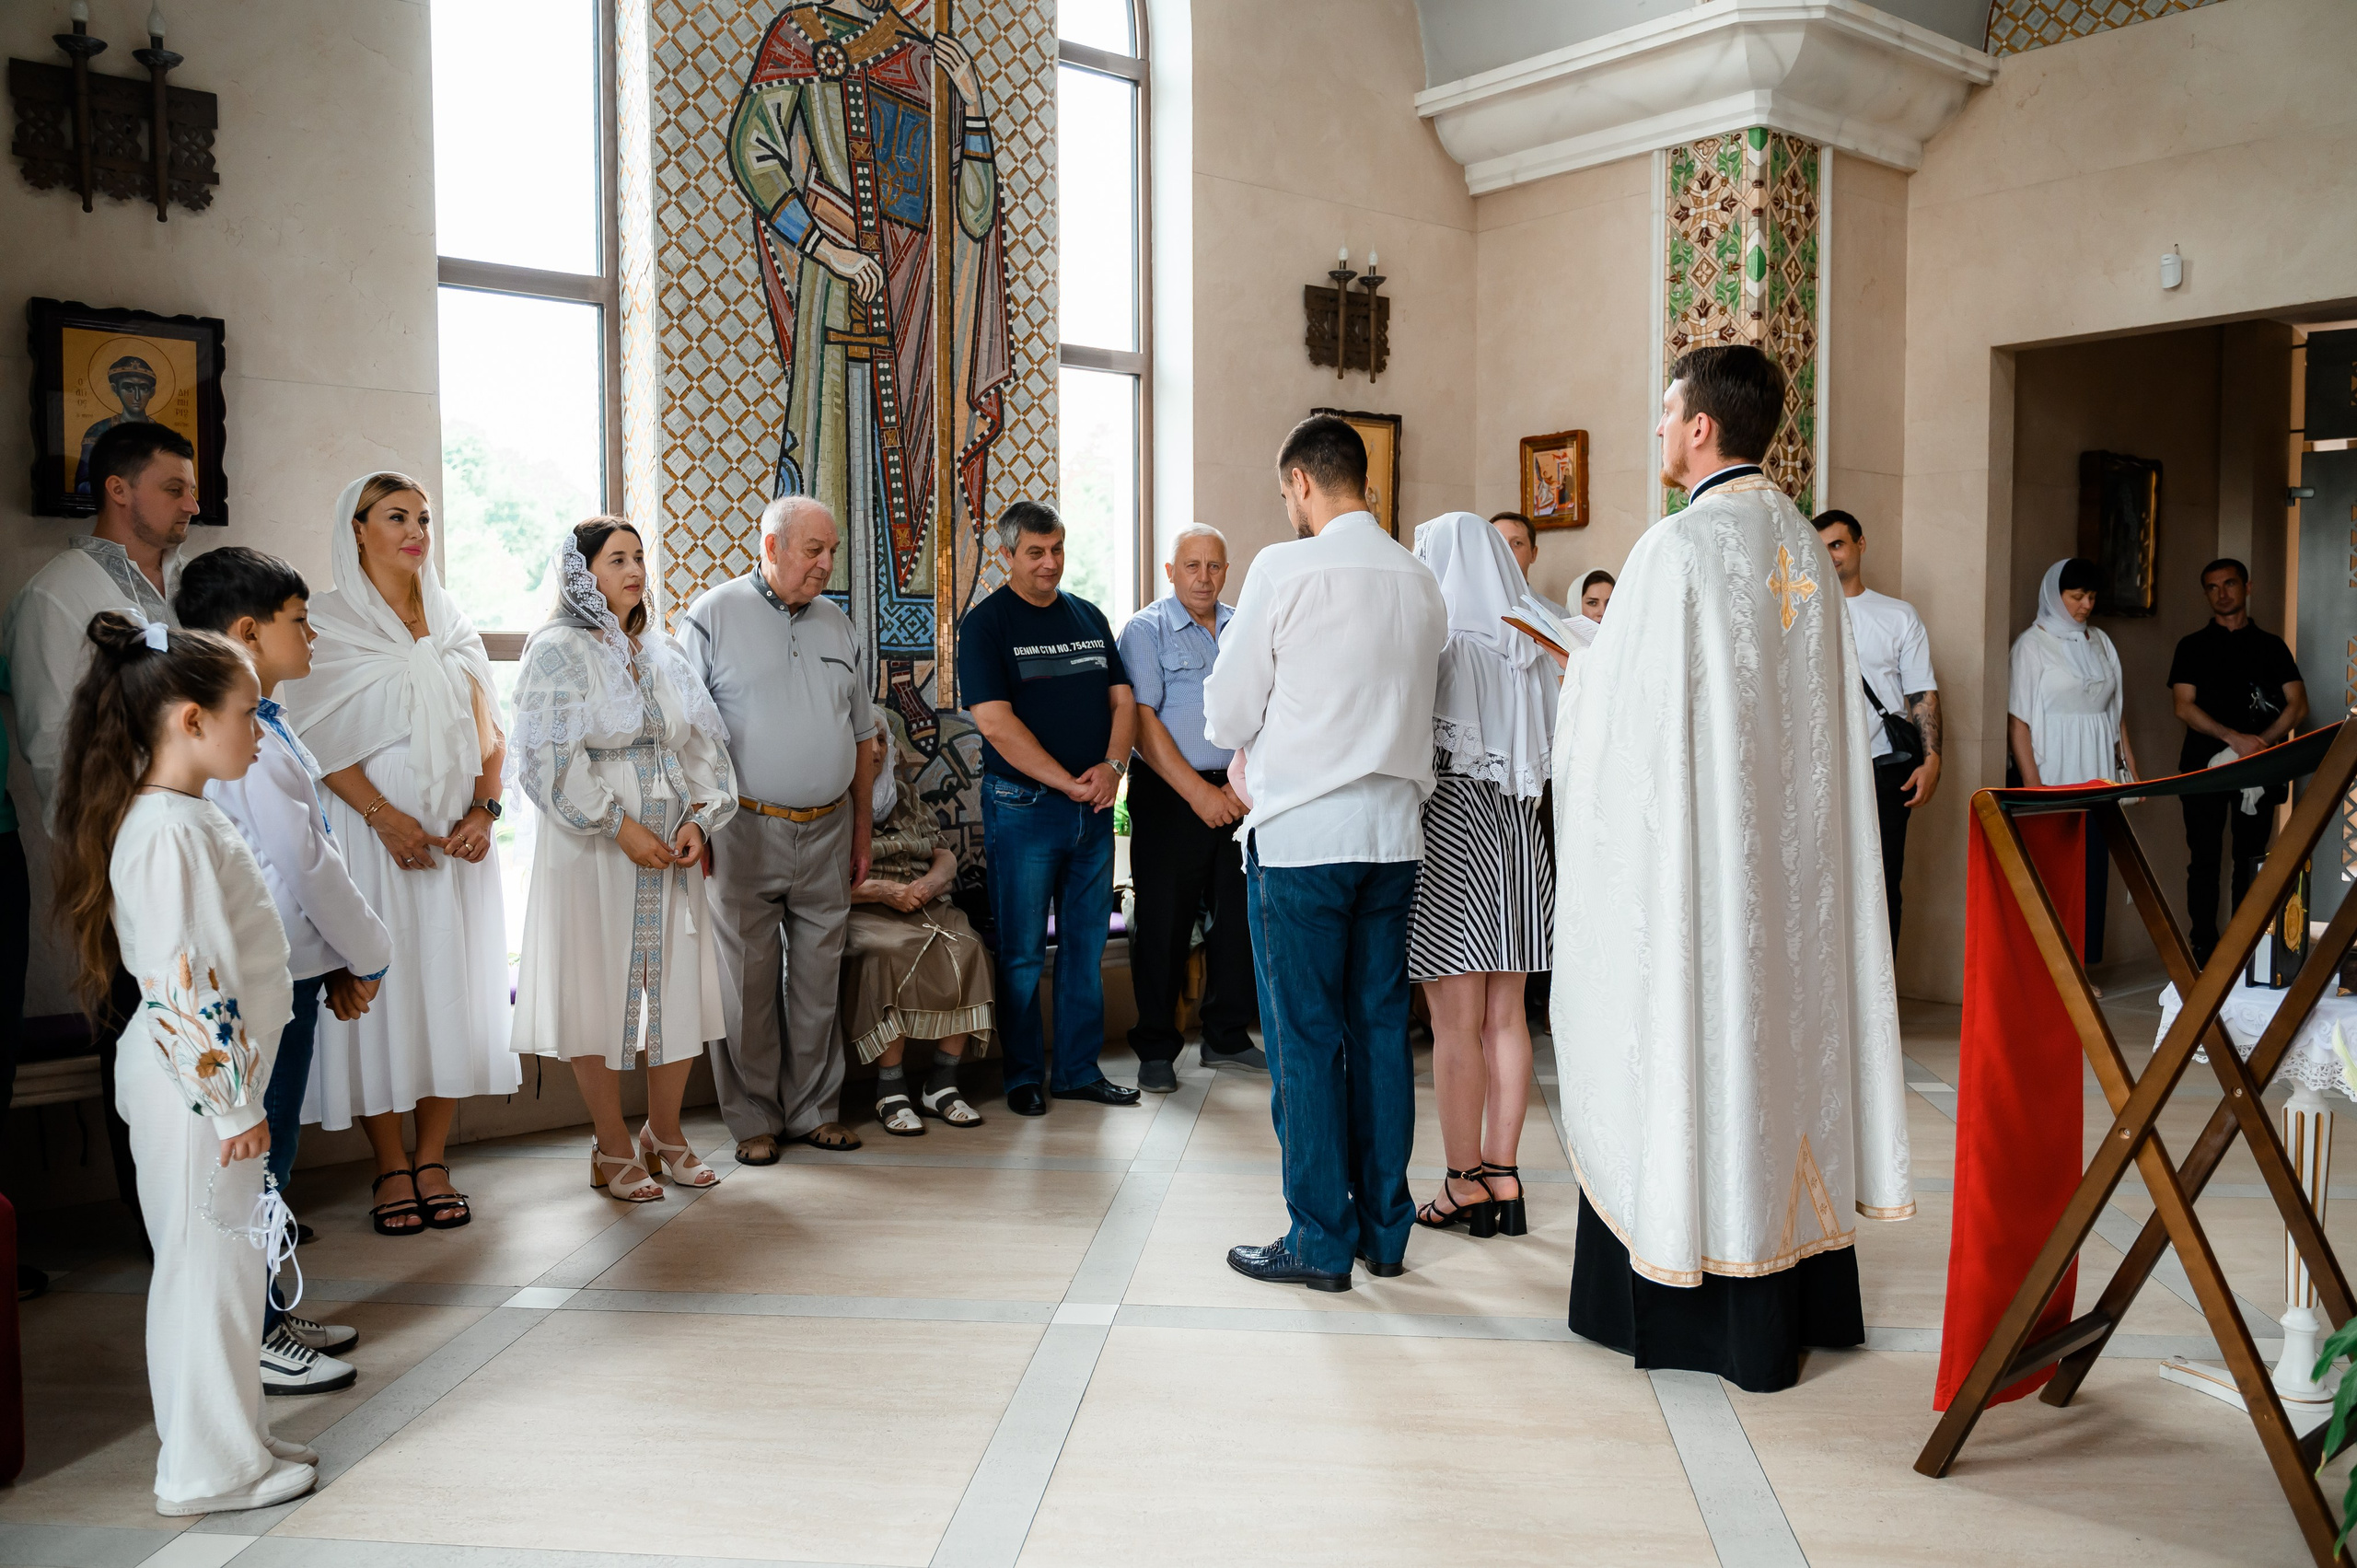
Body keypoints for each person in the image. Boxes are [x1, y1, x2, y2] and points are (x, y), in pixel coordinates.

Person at [1552, 344, 1910, 1392]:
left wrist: (1574, 674)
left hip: (1710, 890)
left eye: (1667, 411)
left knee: (1700, 1049)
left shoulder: (1677, 549)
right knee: (1784, 1057)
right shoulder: (1800, 539)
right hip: (1794, 887)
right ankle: (1795, 1286)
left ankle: (1696, 1294)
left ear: (1701, 426)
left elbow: (1629, 727)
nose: (1660, 428)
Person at [50, 612, 318, 1515]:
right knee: (204, 1273)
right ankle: (206, 1468)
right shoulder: (164, 829)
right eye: (247, 710)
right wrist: (235, 1105)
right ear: (189, 721)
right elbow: (181, 984)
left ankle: (234, 1436)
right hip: (198, 1097)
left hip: (211, 1090)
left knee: (228, 1269)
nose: (259, 725)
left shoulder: (184, 816)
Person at [1203, 413, 1449, 1292]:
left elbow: (1228, 712)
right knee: (1382, 1032)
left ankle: (1316, 1237)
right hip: (1393, 836)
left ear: (1303, 482)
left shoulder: (1285, 567)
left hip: (1305, 835)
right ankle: (1386, 1231)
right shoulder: (1421, 579)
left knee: (1306, 1039)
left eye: (1285, 496)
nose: (1288, 510)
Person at [175, 549, 390, 1392]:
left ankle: (267, 1307)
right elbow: (304, 863)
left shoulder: (257, 719)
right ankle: (256, 1330)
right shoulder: (248, 737)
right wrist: (369, 953)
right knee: (268, 1157)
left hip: (292, 963)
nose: (314, 633)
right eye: (300, 620)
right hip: (268, 970)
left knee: (278, 1153)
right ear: (246, 631)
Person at [280, 473, 515, 1236]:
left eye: (422, 517)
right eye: (395, 517)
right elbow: (310, 737)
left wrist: (484, 809)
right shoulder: (329, 622)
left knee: (444, 988)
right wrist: (383, 816)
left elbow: (492, 734)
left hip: (452, 846)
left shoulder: (453, 622)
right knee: (382, 999)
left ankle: (436, 1155)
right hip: (371, 841)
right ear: (357, 528)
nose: (415, 529)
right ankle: (389, 1163)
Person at [4, 420, 199, 1234]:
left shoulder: (189, 587)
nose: (194, 501)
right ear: (119, 490)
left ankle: (226, 1198)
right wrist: (111, 863)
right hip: (127, 856)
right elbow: (52, 746)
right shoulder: (61, 592)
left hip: (204, 843)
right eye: (175, 487)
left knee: (211, 1017)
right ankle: (157, 1213)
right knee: (144, 1031)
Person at [511, 520, 740, 1198]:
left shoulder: (658, 650)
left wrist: (702, 816)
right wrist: (619, 824)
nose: (635, 568)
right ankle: (611, 1142)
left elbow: (698, 745)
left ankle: (663, 1133)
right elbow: (547, 761)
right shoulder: (557, 651)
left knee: (672, 986)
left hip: (670, 853)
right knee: (598, 988)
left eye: (639, 556)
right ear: (582, 573)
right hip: (594, 854)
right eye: (617, 558)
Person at [681, 495, 879, 1162]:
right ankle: (754, 1117)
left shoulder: (838, 624)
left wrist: (861, 833)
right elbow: (685, 735)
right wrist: (698, 823)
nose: (826, 564)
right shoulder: (711, 616)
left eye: (832, 551)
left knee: (820, 976)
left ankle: (817, 1109)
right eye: (813, 550)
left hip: (828, 829)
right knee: (747, 981)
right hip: (741, 827)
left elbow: (862, 738)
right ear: (771, 548)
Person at [958, 501, 1142, 1116]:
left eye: (1057, 548)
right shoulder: (986, 626)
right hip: (1024, 809)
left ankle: (1078, 1071)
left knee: (1085, 947)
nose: (1050, 562)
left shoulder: (1089, 615)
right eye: (1035, 551)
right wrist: (1068, 781)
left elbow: (1124, 703)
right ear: (1006, 555)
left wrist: (1112, 770)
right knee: (1022, 952)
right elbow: (996, 724)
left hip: (1091, 809)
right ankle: (1022, 1077)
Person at [1405, 514, 1554, 1242]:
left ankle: (1462, 1181)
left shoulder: (1442, 645)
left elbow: (1418, 751)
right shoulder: (1528, 640)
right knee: (1507, 1016)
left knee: (1452, 1023)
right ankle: (1505, 1170)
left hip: (1454, 830)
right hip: (1520, 831)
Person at [1117, 524, 1262, 1097]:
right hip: (1169, 791)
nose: (1204, 577)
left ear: (1228, 572)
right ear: (1171, 572)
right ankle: (1155, 1045)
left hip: (1239, 790)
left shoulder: (1242, 626)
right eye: (1192, 565)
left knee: (1238, 918)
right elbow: (1141, 725)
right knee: (1163, 922)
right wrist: (1199, 794)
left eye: (1215, 566)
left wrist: (1237, 789)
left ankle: (1226, 1035)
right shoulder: (1145, 629)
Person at [844, 709, 993, 1133]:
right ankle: (890, 1089)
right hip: (864, 908)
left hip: (921, 901)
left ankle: (942, 1083)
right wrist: (882, 891)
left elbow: (943, 854)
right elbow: (818, 885)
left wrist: (928, 886)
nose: (875, 749)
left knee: (969, 947)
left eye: (882, 740)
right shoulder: (831, 803)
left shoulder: (905, 796)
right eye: (866, 739)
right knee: (886, 953)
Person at [2167, 558, 2306, 967]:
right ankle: (2204, 949)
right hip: (2203, 766)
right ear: (2206, 593)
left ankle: (2246, 946)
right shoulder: (2191, 646)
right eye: (2212, 587)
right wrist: (2232, 739)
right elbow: (2182, 706)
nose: (2222, 593)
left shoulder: (2272, 646)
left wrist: (2260, 743)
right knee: (2204, 859)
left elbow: (2298, 705)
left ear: (2249, 586)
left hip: (2261, 767)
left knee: (2251, 857)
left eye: (2229, 584)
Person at [1814, 510, 1940, 947]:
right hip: (1820, 773)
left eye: (1837, 544)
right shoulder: (1796, 614)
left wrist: (1932, 760)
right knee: (1821, 888)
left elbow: (1921, 694)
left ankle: (1882, 1009)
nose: (1830, 555)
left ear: (1859, 545)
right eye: (1821, 546)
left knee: (1884, 885)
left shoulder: (1897, 615)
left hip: (1885, 769)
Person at [2008, 558, 2141, 964]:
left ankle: (2082, 966)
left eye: (2091, 597)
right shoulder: (2031, 645)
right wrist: (2035, 790)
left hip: (2097, 769)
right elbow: (2019, 723)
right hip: (2053, 770)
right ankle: (2051, 967)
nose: (2085, 605)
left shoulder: (2100, 642)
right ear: (2054, 595)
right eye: (2076, 596)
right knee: (2054, 871)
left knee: (2093, 868)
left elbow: (2116, 716)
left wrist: (2132, 774)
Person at [72, 356, 160, 497]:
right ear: (115, 389)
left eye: (143, 388)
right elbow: (83, 486)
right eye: (129, 388)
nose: (136, 397)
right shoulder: (98, 431)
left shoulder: (164, 437)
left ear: (152, 392)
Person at [1490, 512, 1566, 620]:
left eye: (1517, 543)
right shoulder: (1465, 610)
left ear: (1533, 554)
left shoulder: (1558, 616)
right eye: (1498, 543)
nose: (1506, 551)